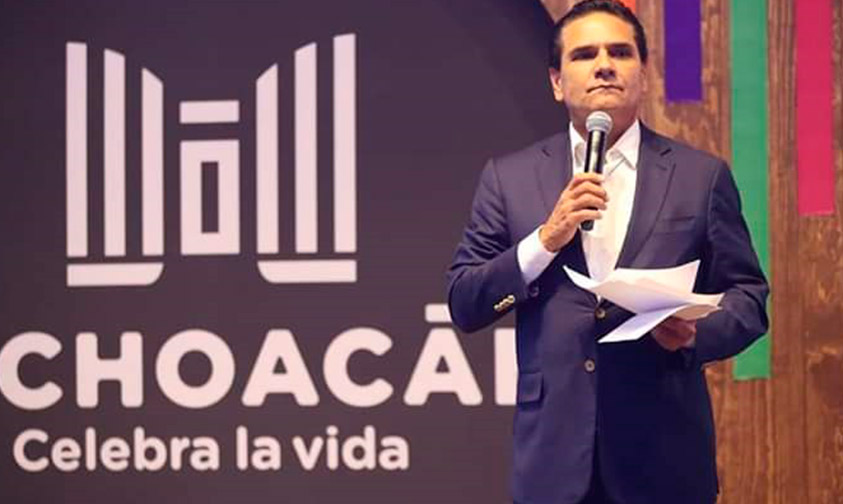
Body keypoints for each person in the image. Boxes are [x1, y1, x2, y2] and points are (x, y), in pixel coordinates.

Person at [445, 1, 769, 503]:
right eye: (584, 55)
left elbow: (748, 298)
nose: (603, 65)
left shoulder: (700, 177)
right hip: (553, 462)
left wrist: (694, 335)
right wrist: (545, 240)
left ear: (643, 74)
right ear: (557, 82)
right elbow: (466, 301)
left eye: (619, 52)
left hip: (664, 457)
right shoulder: (509, 178)